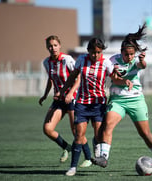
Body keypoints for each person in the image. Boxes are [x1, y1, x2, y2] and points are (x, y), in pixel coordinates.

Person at [91, 23, 152, 171]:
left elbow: (143, 65)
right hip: (118, 100)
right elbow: (113, 79)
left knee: (145, 133)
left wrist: (141, 60)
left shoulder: (136, 61)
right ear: (121, 52)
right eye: (126, 54)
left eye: (132, 54)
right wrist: (123, 81)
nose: (129, 57)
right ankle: (104, 158)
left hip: (136, 100)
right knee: (108, 125)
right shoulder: (113, 61)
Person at [57, 37, 114, 176]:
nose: (95, 55)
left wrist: (124, 83)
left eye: (98, 52)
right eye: (93, 52)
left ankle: (97, 148)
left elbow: (115, 78)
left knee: (99, 134)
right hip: (82, 104)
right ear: (88, 51)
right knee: (79, 135)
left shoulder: (106, 63)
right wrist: (63, 90)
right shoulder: (82, 60)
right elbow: (73, 77)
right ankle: (73, 167)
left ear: (102, 51)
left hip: (98, 104)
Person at [39, 35, 92, 167]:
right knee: (47, 128)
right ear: (47, 47)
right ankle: (66, 147)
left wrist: (69, 93)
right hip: (59, 100)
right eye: (50, 46)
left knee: (76, 132)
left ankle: (89, 158)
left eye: (55, 45)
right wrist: (45, 95)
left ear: (59, 46)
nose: (53, 48)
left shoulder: (67, 60)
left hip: (73, 99)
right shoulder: (46, 62)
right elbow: (50, 80)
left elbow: (78, 78)